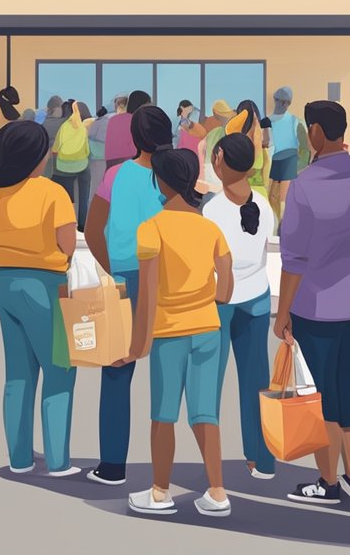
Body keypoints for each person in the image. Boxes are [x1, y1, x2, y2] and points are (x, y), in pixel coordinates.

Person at [276, 100, 350, 505]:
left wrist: (283, 311)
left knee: (321, 396)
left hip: (317, 305)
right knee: (349, 387)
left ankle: (328, 483)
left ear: (317, 132)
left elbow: (295, 259)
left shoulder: (305, 184)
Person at [122, 146, 233, 517]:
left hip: (170, 332)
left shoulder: (151, 229)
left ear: (160, 182)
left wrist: (137, 346)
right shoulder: (210, 229)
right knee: (206, 414)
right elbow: (225, 291)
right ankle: (217, 492)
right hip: (208, 331)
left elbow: (148, 297)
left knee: (164, 413)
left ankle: (159, 492)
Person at [0, 120, 78, 476]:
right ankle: (57, 461)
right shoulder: (53, 193)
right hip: (44, 283)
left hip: (2, 281)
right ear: (36, 155)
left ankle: (19, 459)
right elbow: (67, 245)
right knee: (59, 369)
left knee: (18, 373)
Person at [84, 105, 173, 486]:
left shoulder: (115, 176)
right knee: (169, 373)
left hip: (124, 279)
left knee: (117, 373)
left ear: (134, 138)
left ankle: (113, 465)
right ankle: (164, 472)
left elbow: (91, 231)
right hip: (167, 279)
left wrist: (112, 269)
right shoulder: (175, 176)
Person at [203, 133, 278, 480]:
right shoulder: (263, 204)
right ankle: (261, 460)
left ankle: (212, 463)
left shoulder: (212, 209)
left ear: (219, 161)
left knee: (210, 382)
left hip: (220, 301)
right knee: (256, 382)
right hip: (257, 297)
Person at [51, 100, 92, 231]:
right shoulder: (83, 126)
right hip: (81, 165)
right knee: (84, 193)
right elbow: (86, 149)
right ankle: (82, 224)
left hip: (63, 166)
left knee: (65, 195)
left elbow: (55, 149)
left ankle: (65, 223)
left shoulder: (63, 127)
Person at [267, 87, 303, 226]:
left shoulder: (295, 121)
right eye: (279, 101)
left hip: (290, 160)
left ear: (289, 103)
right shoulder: (268, 121)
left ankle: (284, 226)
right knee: (273, 198)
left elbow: (303, 147)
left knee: (284, 200)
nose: (281, 104)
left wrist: (300, 167)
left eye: (285, 102)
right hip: (274, 160)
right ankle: (275, 226)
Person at [199, 99, 236, 195]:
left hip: (210, 171)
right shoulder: (230, 131)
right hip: (218, 173)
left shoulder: (214, 132)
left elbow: (201, 148)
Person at [41, 95, 66, 178]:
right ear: (56, 109)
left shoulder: (44, 123)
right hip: (61, 160)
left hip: (47, 159)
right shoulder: (63, 122)